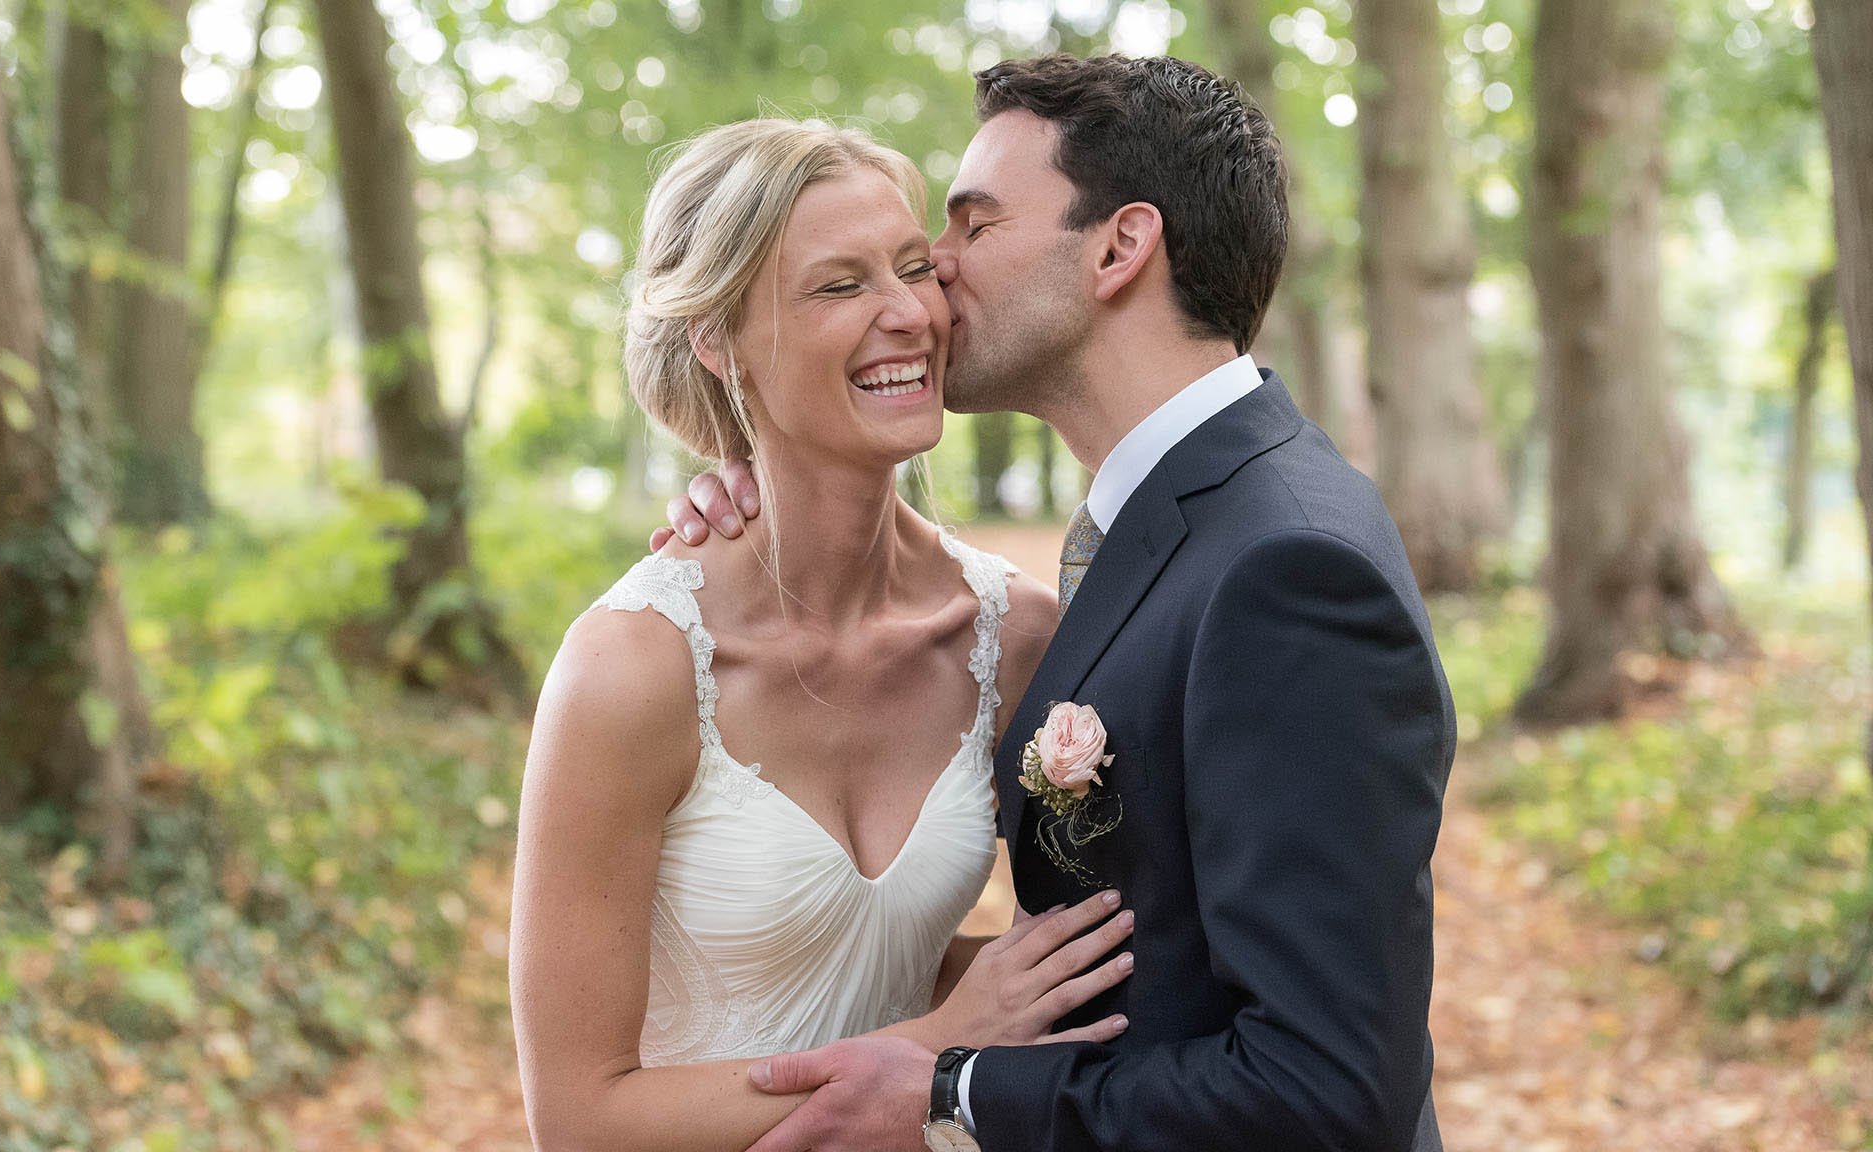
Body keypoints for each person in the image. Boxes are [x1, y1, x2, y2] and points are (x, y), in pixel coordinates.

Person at [659, 55, 1452, 1151]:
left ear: (1119, 249)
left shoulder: (1285, 568)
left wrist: (950, 1097)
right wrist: (764, 477)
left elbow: (1326, 1088)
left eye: (971, 226)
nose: (930, 273)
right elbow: (1148, 939)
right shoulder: (1188, 518)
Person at [509, 117, 1143, 1152]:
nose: (907, 315)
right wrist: (937, 1045)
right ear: (716, 339)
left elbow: (1047, 944)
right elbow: (579, 1119)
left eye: (911, 269)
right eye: (838, 286)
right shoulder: (634, 668)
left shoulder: (1013, 637)